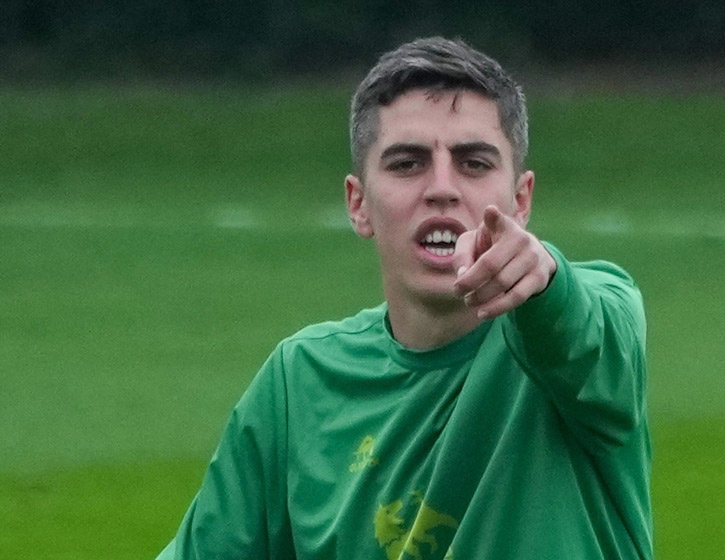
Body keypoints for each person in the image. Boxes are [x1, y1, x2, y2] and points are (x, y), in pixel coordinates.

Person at [156, 36, 653, 560]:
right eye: (407, 163)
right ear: (358, 203)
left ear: (521, 199)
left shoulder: (590, 330)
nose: (442, 187)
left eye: (474, 163)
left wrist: (546, 279)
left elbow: (590, 334)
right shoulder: (299, 381)